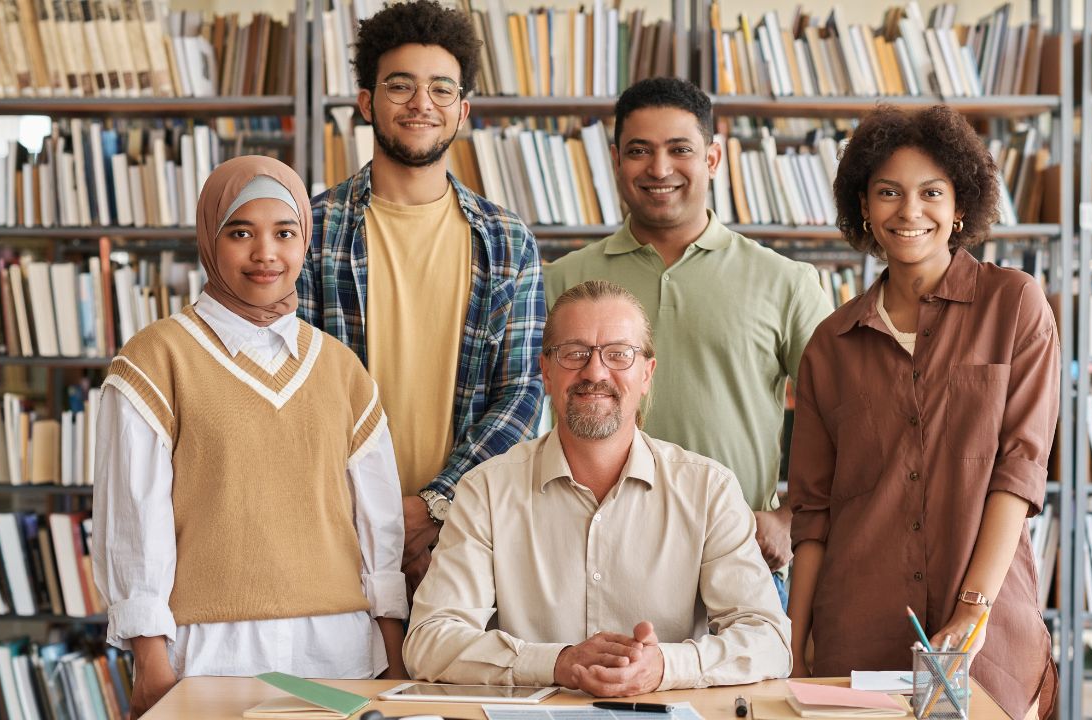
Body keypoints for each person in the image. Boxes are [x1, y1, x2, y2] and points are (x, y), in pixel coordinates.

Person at [93, 156, 407, 717]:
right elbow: (134, 518)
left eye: (285, 233)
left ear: (304, 241)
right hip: (210, 653)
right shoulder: (154, 359)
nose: (266, 253)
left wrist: (392, 647)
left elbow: (378, 524)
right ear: (210, 242)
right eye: (241, 233)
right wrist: (149, 656)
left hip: (338, 651)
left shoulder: (342, 369)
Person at [785, 105, 1058, 720]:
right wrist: (794, 645)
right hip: (855, 629)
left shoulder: (1014, 304)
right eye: (888, 192)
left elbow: (1018, 469)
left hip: (987, 637)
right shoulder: (830, 344)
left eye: (931, 192)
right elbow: (814, 510)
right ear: (864, 207)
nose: (909, 212)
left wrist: (973, 608)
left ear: (961, 205)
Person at [404, 280, 791, 695]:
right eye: (575, 353)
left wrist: (665, 667)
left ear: (647, 373)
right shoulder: (486, 490)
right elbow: (429, 642)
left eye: (619, 355)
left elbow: (769, 640)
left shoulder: (709, 490)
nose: (595, 371)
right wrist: (557, 662)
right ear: (546, 372)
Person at [544, 78, 832, 604]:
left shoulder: (786, 281)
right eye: (639, 151)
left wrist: (793, 517)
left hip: (739, 553)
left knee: (746, 692)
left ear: (714, 158)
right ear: (615, 161)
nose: (659, 169)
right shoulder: (561, 280)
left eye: (680, 149)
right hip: (590, 553)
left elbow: (847, 414)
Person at [298, 0, 545, 595]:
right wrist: (369, 508)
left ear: (462, 110)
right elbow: (290, 388)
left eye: (440, 89)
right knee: (338, 689)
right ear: (366, 102)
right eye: (400, 86)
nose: (420, 104)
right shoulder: (308, 230)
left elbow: (522, 393)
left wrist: (433, 504)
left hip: (467, 534)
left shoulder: (508, 241)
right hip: (330, 528)